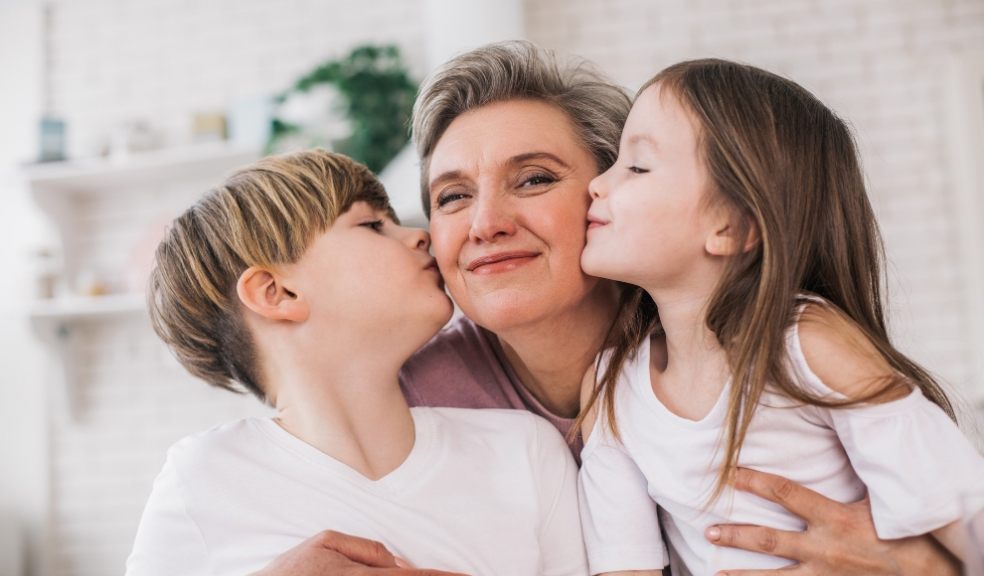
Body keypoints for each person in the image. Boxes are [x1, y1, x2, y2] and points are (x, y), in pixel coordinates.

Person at [254, 41, 959, 575]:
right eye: (452, 196)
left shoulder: (762, 348)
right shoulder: (409, 397)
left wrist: (928, 565)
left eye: (533, 179)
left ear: (606, 199)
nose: (485, 223)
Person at [576, 58, 984, 575]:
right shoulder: (613, 390)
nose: (597, 183)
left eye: (636, 166)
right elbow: (624, 566)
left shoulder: (804, 343)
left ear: (731, 227)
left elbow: (965, 514)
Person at [125, 150, 588, 576]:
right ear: (278, 293)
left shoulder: (523, 451)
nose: (420, 235)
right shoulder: (204, 478)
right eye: (371, 226)